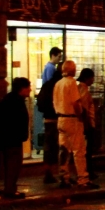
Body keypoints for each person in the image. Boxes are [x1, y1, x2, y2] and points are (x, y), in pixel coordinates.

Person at [54, 60, 98, 189]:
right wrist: (80, 115)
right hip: (72, 119)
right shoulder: (71, 82)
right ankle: (83, 178)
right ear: (71, 70)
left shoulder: (58, 84)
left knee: (64, 150)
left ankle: (64, 176)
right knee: (79, 150)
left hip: (60, 118)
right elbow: (75, 102)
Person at [0, 77, 31, 199]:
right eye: (27, 87)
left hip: (9, 138)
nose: (30, 90)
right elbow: (15, 120)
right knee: (13, 164)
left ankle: (10, 188)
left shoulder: (9, 99)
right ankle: (10, 189)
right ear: (21, 89)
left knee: (11, 164)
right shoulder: (15, 101)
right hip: (12, 139)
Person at [39, 52, 64, 184]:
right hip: (58, 118)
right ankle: (61, 173)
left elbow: (40, 103)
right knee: (60, 147)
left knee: (48, 147)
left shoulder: (47, 85)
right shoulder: (60, 85)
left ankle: (48, 172)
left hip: (47, 118)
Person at [78, 68, 99, 181]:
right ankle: (88, 171)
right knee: (88, 150)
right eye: (92, 77)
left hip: (85, 123)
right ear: (87, 78)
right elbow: (85, 109)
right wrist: (88, 125)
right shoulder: (84, 90)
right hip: (88, 124)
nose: (93, 80)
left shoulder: (79, 88)